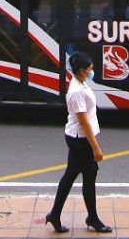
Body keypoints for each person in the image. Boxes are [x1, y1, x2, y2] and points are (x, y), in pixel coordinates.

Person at [44, 52, 112, 234]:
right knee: (88, 176)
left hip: (77, 138)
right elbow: (83, 122)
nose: (92, 72)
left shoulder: (80, 83)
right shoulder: (75, 92)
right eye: (90, 69)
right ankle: (92, 218)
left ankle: (55, 215)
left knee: (72, 175)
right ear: (82, 71)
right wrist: (96, 147)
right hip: (80, 140)